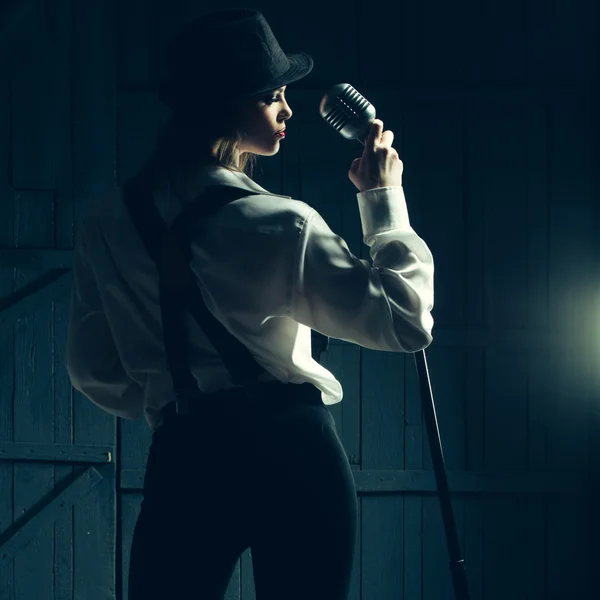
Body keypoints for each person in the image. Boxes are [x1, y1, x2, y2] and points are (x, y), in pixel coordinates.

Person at [65, 7, 435, 600]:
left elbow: (93, 369)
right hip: (295, 453)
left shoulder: (107, 223)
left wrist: (181, 398)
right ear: (228, 104)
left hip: (185, 454)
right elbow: (405, 321)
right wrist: (384, 199)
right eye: (273, 95)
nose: (288, 109)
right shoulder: (280, 223)